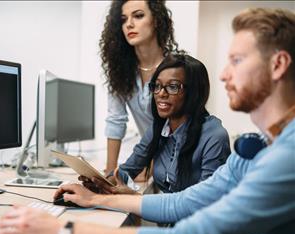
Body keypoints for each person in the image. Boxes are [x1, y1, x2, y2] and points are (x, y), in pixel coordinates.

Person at [0, 8, 295, 234]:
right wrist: (97, 198)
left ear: (278, 65)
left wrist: (62, 232)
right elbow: (185, 201)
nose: (225, 75)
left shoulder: (286, 156)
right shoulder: (259, 145)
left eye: (237, 60)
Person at [85, 54, 230, 195]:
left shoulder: (214, 136)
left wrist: (136, 199)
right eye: (157, 86)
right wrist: (98, 182)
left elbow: (203, 203)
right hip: (167, 219)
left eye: (173, 87)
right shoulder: (160, 128)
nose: (161, 93)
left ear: (194, 92)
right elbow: (128, 170)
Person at [101, 0, 180, 177]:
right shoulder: (120, 71)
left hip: (181, 163)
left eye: (138, 16)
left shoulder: (178, 70)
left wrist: (151, 164)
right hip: (149, 159)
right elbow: (116, 120)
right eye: (123, 19)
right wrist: (109, 174)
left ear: (157, 21)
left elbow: (180, 130)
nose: (129, 24)